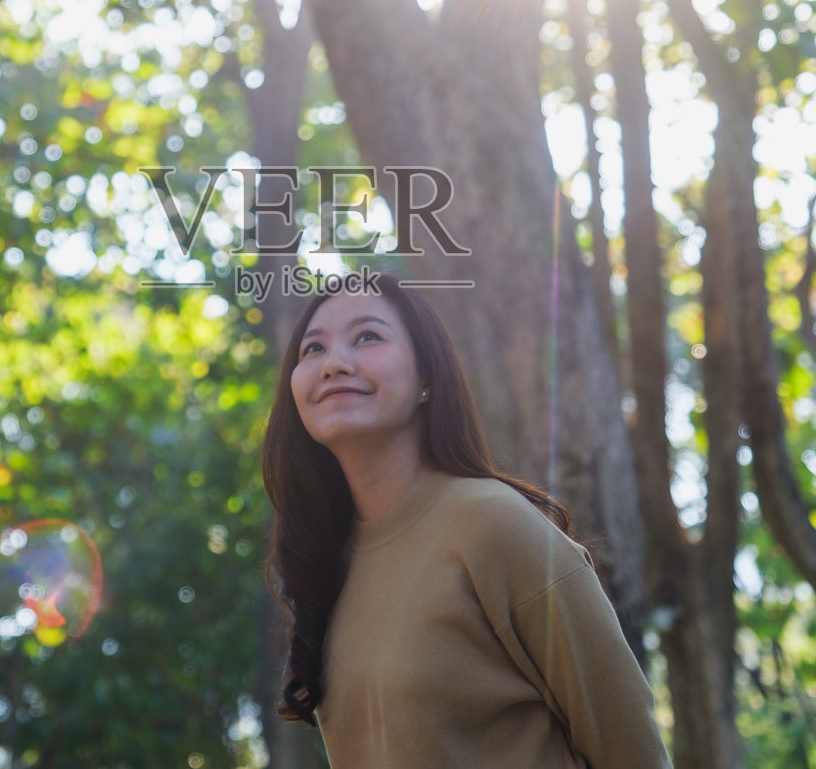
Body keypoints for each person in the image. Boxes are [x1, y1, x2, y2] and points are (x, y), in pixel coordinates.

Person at [259, 277, 673, 768]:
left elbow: (632, 751)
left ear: (427, 378)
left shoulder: (497, 525)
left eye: (368, 336)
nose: (334, 363)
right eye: (313, 348)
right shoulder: (330, 565)